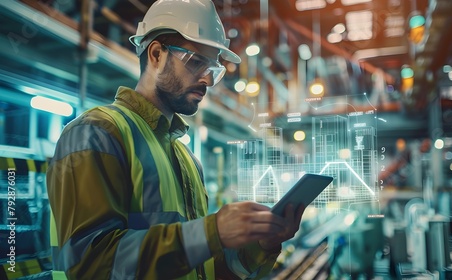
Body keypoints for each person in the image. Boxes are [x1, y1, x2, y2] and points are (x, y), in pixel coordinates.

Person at [46, 0, 305, 279]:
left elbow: (200, 269)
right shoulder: (96, 133)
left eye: (214, 70)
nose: (207, 79)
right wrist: (211, 232)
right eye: (196, 62)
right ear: (156, 54)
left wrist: (262, 245)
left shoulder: (186, 159)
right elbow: (89, 265)